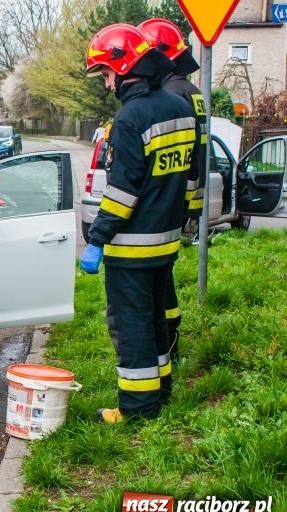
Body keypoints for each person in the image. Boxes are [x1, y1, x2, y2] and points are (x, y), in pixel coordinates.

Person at [80, 24, 199, 424]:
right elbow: (189, 177)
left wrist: (97, 238)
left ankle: (136, 408)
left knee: (131, 326)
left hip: (131, 247)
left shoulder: (130, 118)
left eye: (106, 73)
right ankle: (160, 390)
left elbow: (122, 192)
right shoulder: (180, 108)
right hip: (166, 242)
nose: (106, 83)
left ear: (123, 66)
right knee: (155, 320)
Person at [138, 18, 207, 366]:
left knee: (159, 283)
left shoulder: (173, 94)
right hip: (183, 200)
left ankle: (167, 343)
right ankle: (167, 341)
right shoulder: (191, 91)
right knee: (164, 278)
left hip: (167, 204)